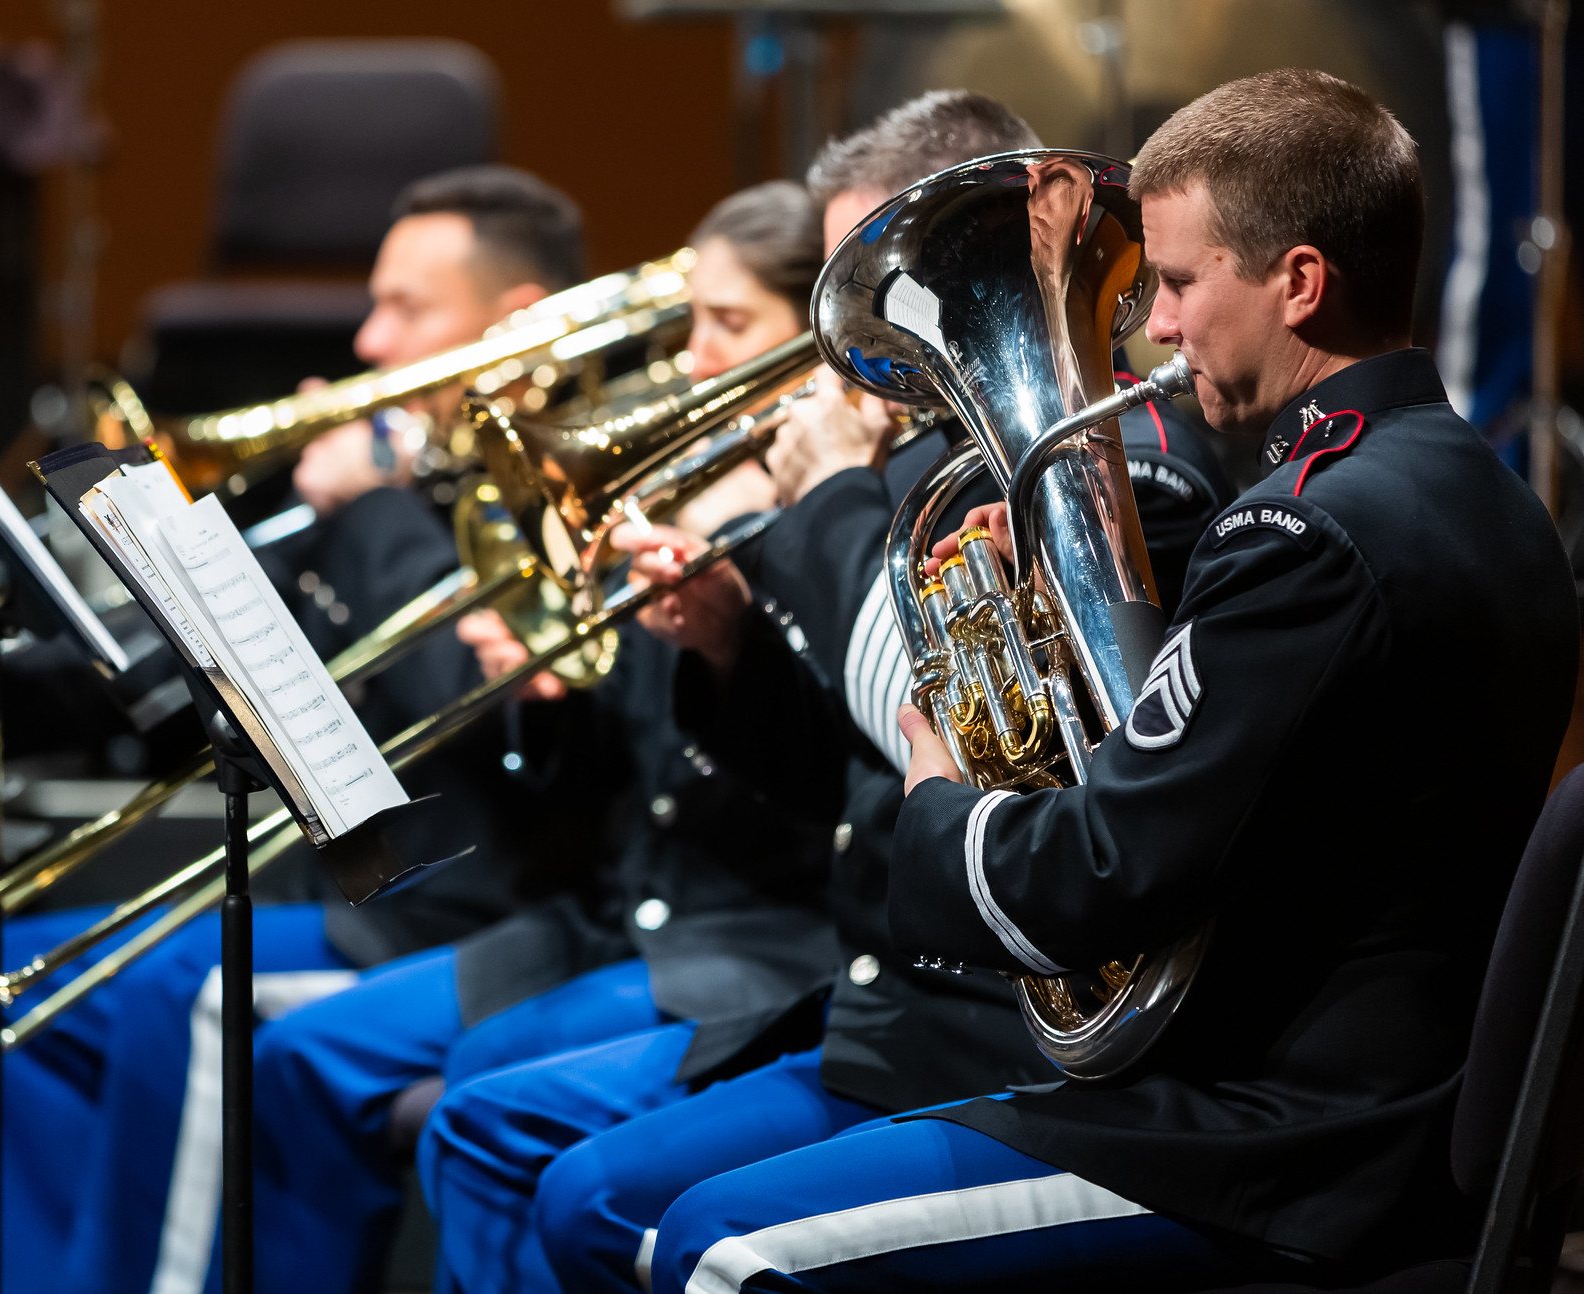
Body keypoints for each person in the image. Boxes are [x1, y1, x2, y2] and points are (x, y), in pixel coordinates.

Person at [644, 68, 1579, 1293]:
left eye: (1183, 283)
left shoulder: (1298, 536)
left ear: (1298, 283)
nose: (1158, 327)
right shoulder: (1490, 499)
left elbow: (1095, 878)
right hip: (1342, 1102)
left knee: (716, 1249)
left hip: (1269, 1138)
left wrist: (940, 797)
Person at [415, 90, 1233, 1294]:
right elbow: (863, 772)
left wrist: (807, 512)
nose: (849, 350)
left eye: (879, 300)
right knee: (551, 1169)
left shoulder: (1110, 472)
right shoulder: (912, 473)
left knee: (601, 1192)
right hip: (877, 1013)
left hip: (998, 1035)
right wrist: (732, 649)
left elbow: (959, 734)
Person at [0, 166, 594, 1294]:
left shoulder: (553, 483)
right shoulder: (398, 480)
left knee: (178, 998)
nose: (369, 342)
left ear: (515, 320)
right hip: (348, 899)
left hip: (478, 910)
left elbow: (460, 708)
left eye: (407, 310)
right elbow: (180, 650)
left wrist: (373, 511)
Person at [247, 180, 838, 1294]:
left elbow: (801, 776)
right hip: (619, 918)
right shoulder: (681, 501)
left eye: (730, 327)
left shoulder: (817, 526)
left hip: (746, 942)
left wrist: (721, 628)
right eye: (691, 324)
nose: (694, 361)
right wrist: (541, 689)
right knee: (321, 1062)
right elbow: (599, 768)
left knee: (483, 1100)